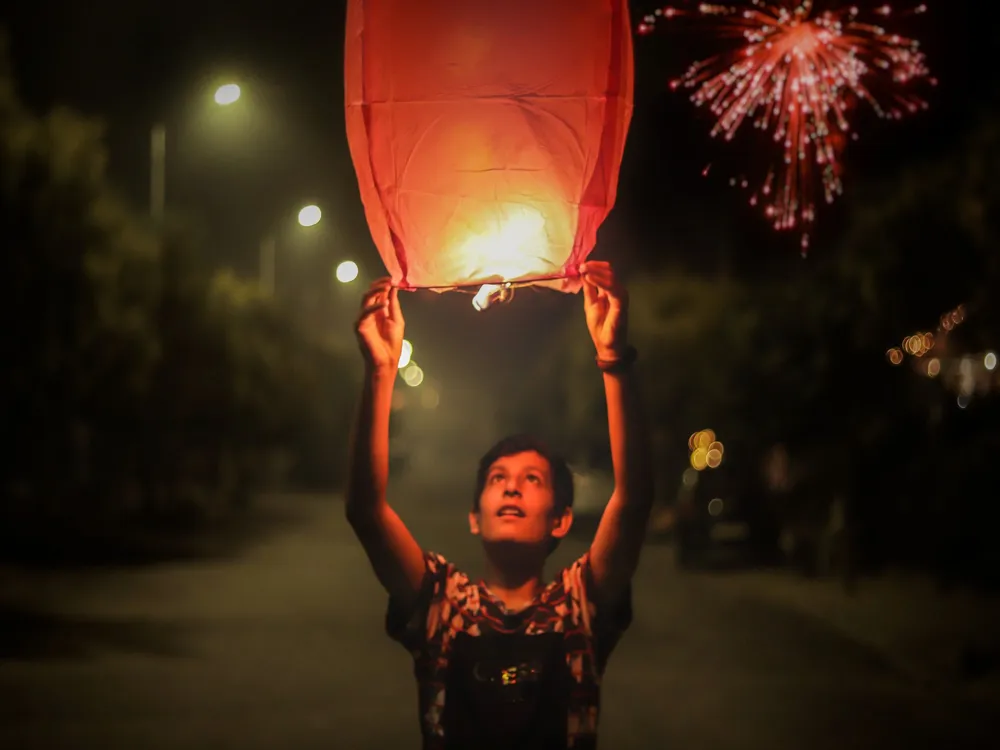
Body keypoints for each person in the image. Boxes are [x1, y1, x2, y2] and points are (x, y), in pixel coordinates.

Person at [345, 261, 653, 750]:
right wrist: (380, 370)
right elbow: (366, 512)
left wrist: (614, 357)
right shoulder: (442, 605)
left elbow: (633, 503)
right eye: (497, 479)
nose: (512, 488)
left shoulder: (579, 607)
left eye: (532, 480)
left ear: (562, 520)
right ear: (474, 516)